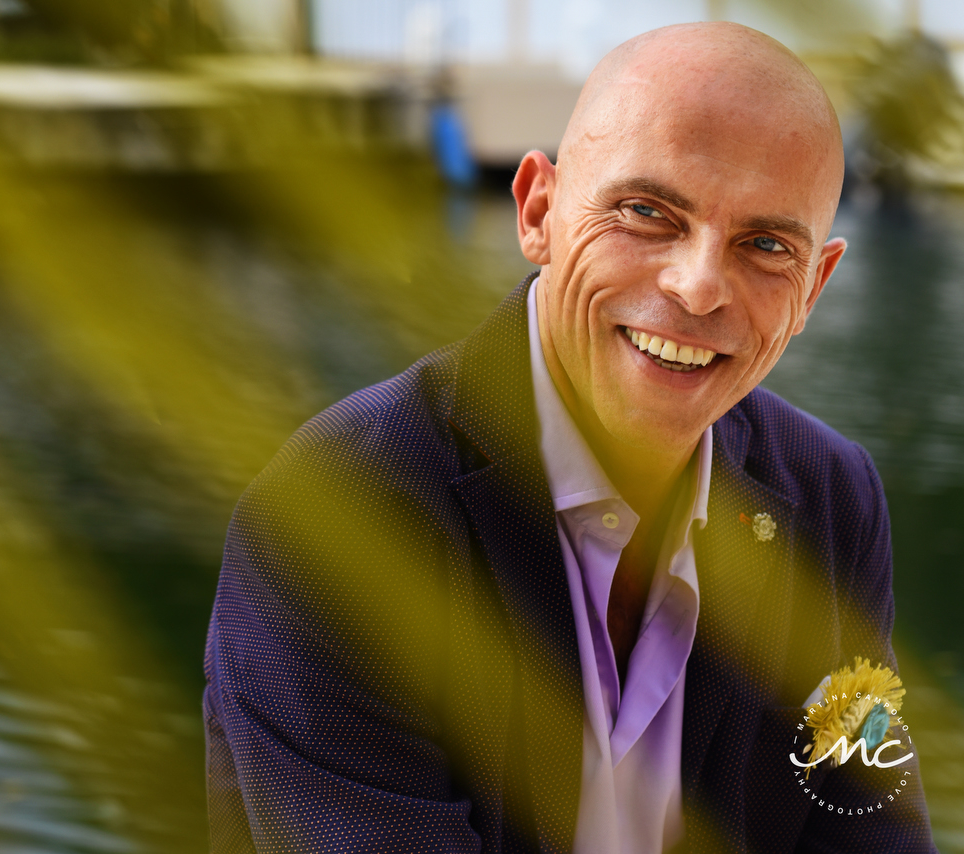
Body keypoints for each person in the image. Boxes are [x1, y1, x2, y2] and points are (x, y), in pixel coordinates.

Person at [203, 22, 937, 854]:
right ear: (539, 210)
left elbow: (863, 816)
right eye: (645, 212)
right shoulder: (337, 517)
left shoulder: (830, 498)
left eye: (765, 244)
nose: (697, 287)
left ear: (814, 288)